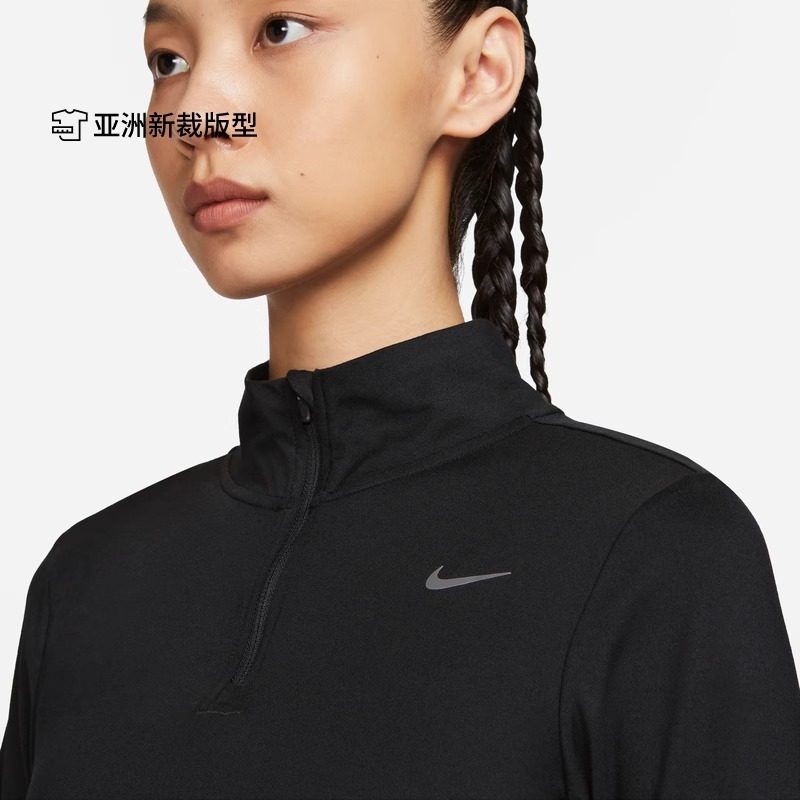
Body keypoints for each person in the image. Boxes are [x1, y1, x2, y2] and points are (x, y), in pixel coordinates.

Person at [2, 0, 799, 798]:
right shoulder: (87, 589)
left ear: (478, 72)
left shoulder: (651, 550)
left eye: (280, 30)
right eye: (168, 60)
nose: (200, 113)